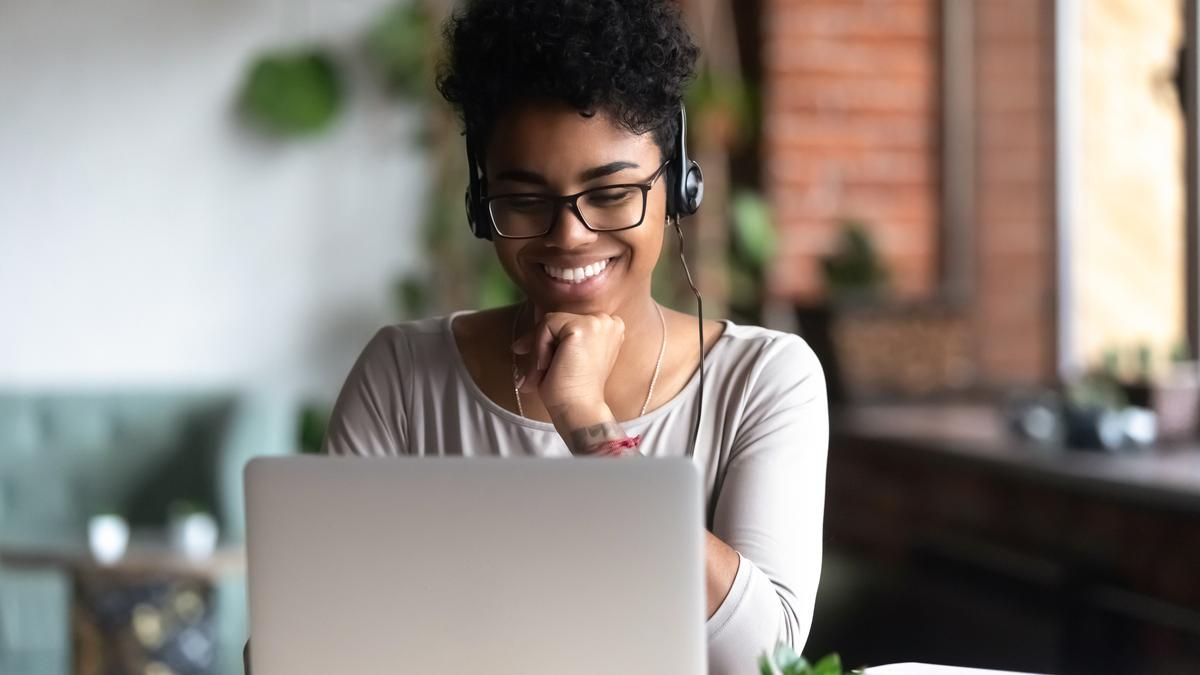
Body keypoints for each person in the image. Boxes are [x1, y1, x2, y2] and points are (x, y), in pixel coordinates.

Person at [317, 1, 829, 672]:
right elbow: (311, 638)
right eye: (526, 200)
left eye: (611, 193)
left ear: (676, 186)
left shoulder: (764, 378)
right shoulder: (403, 377)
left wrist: (587, 420)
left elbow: (770, 656)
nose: (570, 235)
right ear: (482, 203)